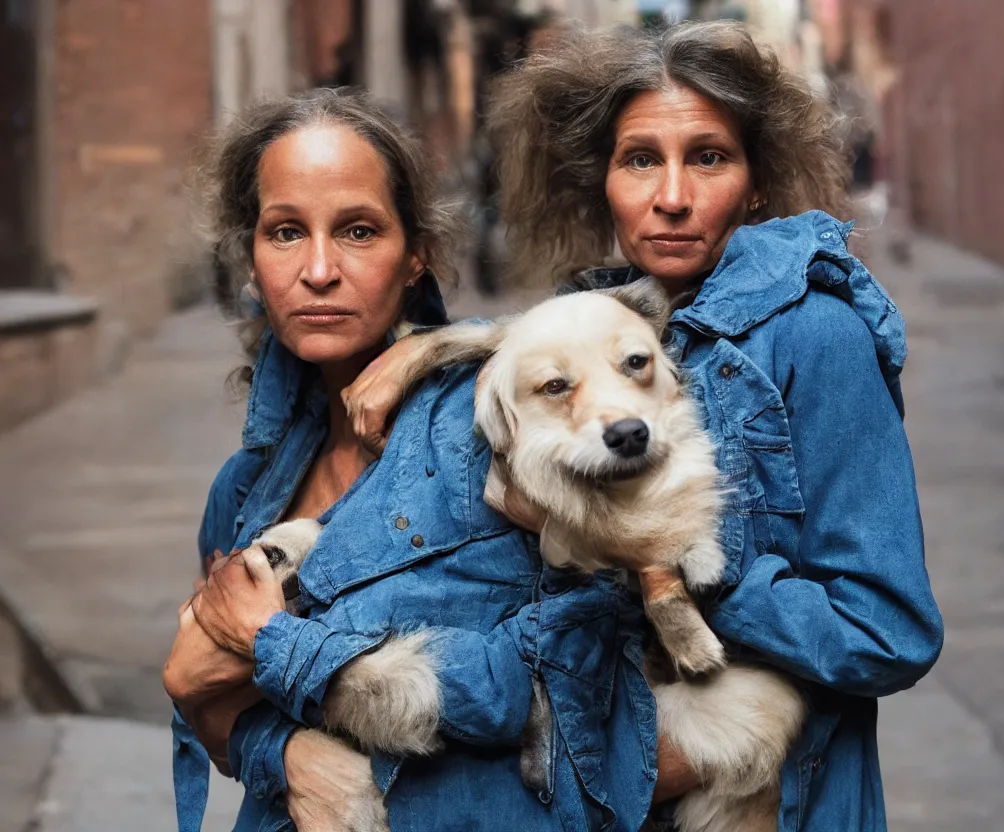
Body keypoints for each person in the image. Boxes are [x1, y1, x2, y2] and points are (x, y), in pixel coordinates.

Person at [347, 21, 943, 831]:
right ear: (600, 182)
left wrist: (679, 568)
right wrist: (430, 352)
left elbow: (888, 631)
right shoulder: (623, 318)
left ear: (758, 181)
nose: (671, 196)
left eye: (709, 157)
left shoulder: (815, 337)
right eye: (639, 160)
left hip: (774, 802)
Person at [162, 87, 664, 832]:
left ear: (415, 255)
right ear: (251, 258)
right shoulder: (245, 491)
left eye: (359, 231)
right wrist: (292, 757)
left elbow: (549, 692)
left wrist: (273, 648)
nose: (320, 269)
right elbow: (218, 715)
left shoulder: (493, 429)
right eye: (286, 232)